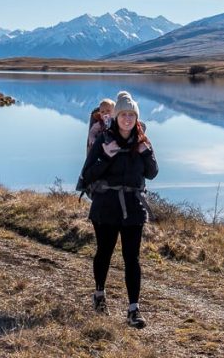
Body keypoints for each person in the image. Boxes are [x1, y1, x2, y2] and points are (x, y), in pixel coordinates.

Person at [79, 91, 158, 328]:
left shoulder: (143, 142)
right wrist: (105, 156)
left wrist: (147, 154)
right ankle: (99, 295)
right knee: (104, 252)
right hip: (106, 207)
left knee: (131, 258)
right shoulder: (104, 140)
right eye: (123, 114)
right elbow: (87, 175)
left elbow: (152, 173)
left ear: (136, 118)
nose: (127, 119)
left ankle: (133, 310)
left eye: (131, 115)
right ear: (115, 116)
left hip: (133, 207)